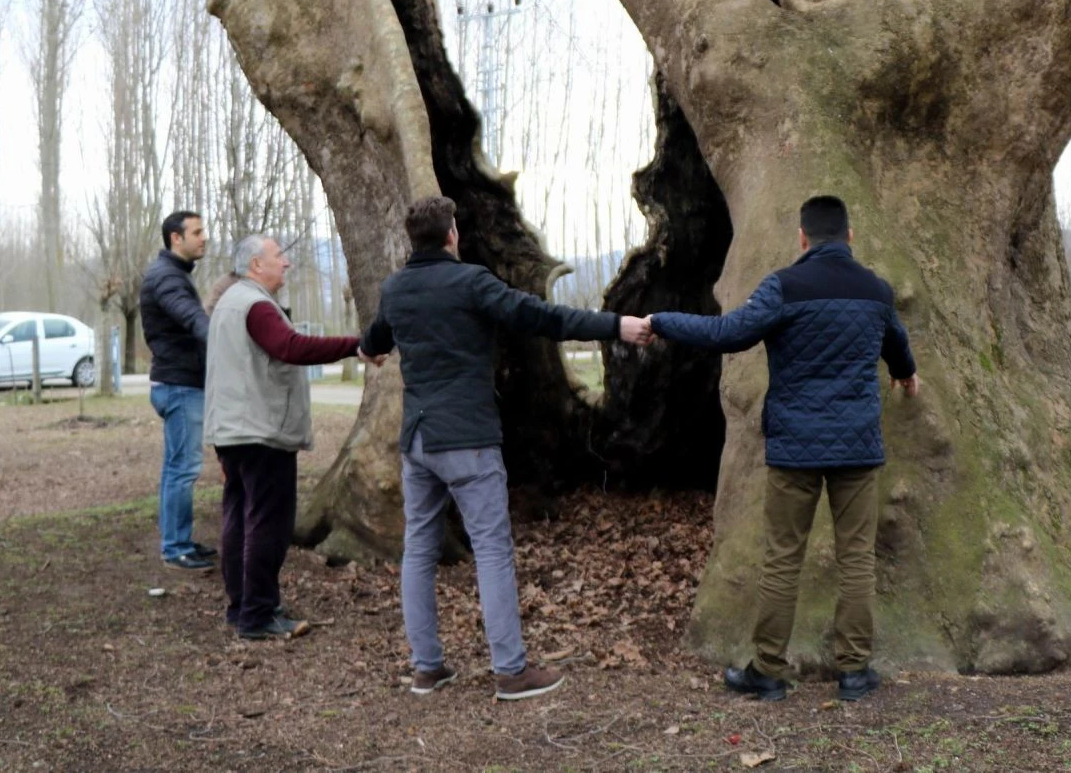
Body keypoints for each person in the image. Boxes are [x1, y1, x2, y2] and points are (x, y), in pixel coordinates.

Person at [361, 195, 654, 701]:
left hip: (418, 441)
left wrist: (374, 351)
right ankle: (510, 671)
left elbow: (373, 343)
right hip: (468, 441)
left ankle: (427, 668)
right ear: (451, 235)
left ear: (415, 239)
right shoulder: (470, 281)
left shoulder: (395, 288)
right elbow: (543, 317)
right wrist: (617, 325)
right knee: (492, 549)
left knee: (420, 550)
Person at [646, 195, 917, 703]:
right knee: (856, 557)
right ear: (850, 236)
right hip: (858, 446)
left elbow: (727, 334)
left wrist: (662, 321)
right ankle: (855, 672)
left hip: (795, 448)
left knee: (783, 558)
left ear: (802, 237)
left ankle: (767, 669)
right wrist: (906, 375)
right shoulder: (876, 291)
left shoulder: (785, 286)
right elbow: (897, 345)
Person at [206, 234, 367, 640]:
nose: (287, 264)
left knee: (239, 516)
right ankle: (258, 615)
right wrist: (356, 346)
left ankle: (241, 606)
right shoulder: (256, 305)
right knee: (268, 522)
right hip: (261, 432)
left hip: (232, 431)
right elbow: (290, 347)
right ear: (256, 265)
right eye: (280, 257)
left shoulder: (229, 302)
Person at [140, 210, 216, 571]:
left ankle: (179, 540)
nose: (204, 238)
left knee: (177, 468)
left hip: (178, 382)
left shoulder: (172, 273)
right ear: (176, 238)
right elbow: (191, 318)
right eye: (197, 232)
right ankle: (175, 548)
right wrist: (225, 337)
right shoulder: (167, 278)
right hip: (179, 385)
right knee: (183, 469)